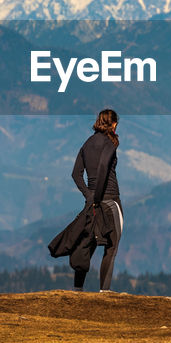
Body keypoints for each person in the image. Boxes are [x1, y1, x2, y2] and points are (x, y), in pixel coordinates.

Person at [52, 108, 124, 291]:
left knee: (87, 244)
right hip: (110, 201)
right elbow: (103, 167)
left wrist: (89, 195)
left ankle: (78, 290)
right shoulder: (110, 142)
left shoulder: (87, 144)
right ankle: (104, 292)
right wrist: (98, 198)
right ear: (113, 124)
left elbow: (76, 174)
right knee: (111, 247)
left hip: (91, 201)